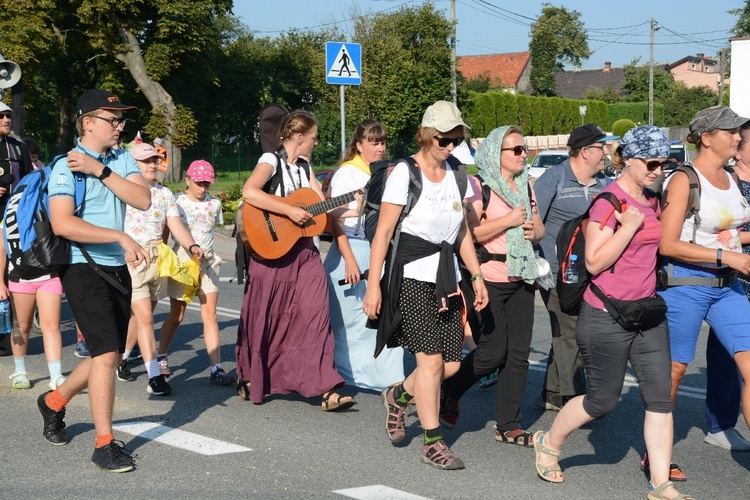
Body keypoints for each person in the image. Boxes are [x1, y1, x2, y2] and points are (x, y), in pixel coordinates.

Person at [532, 125, 693, 500]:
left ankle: (660, 484)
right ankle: (550, 443)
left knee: (659, 399)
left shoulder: (654, 200)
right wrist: (628, 230)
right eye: (651, 162)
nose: (658, 169)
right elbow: (593, 260)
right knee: (602, 401)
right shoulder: (610, 202)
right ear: (629, 160)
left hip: (647, 313)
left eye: (663, 162)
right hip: (606, 314)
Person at [363, 101, 488, 470]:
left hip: (447, 276)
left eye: (456, 139)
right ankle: (433, 443)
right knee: (431, 363)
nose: (450, 146)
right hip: (412, 275)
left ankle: (399, 394)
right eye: (444, 139)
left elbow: (462, 231)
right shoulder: (405, 172)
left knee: (450, 364)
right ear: (426, 135)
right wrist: (374, 286)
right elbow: (383, 232)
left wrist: (476, 275)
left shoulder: (458, 174)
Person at [40, 88, 151, 473]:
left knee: (112, 352)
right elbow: (62, 223)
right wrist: (119, 236)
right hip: (80, 265)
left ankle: (54, 401)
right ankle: (104, 444)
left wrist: (100, 171)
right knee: (105, 354)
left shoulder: (120, 159)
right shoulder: (63, 166)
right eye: (112, 119)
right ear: (88, 123)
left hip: (114, 267)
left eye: (121, 119)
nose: (119, 126)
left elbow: (143, 200)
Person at [236, 110, 354, 410]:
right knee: (267, 314)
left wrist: (356, 208)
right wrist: (288, 211)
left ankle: (325, 386)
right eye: (313, 138)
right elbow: (249, 191)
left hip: (304, 251)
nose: (316, 143)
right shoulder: (270, 161)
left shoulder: (305, 166)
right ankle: (254, 376)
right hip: (272, 249)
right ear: (299, 137)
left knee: (316, 314)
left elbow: (322, 206)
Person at [439, 125, 544, 446]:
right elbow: (467, 235)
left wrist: (533, 232)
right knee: (492, 353)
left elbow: (539, 229)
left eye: (524, 149)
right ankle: (451, 390)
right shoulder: (479, 187)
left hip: (522, 277)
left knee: (519, 355)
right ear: (496, 154)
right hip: (488, 278)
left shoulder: (526, 186)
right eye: (515, 150)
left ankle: (508, 425)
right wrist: (507, 221)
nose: (522, 154)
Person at [658, 106, 750, 460]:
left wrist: (735, 253)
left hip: (728, 287)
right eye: (731, 131)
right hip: (686, 284)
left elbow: (727, 230)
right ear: (707, 138)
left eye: (738, 131)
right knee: (675, 372)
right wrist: (729, 258)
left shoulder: (732, 178)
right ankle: (658, 453)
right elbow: (667, 243)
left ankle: (726, 429)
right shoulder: (684, 179)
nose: (738, 137)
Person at [533, 123, 614, 411]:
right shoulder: (553, 179)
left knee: (572, 331)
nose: (605, 152)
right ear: (583, 152)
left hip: (590, 272)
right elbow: (533, 223)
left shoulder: (604, 183)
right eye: (600, 147)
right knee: (571, 330)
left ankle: (553, 393)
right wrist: (536, 266)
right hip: (556, 272)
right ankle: (573, 397)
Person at [323, 119, 405, 391]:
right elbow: (335, 221)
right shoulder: (347, 173)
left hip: (377, 249)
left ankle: (386, 377)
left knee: (378, 315)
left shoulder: (385, 171)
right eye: (374, 142)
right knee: (351, 321)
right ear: (359, 145)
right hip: (352, 249)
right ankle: (351, 374)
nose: (380, 148)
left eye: (382, 142)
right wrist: (347, 259)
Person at [118, 143, 205, 396]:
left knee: (141, 316)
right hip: (131, 260)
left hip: (157, 260)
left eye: (156, 160)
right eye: (147, 161)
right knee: (145, 316)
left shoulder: (165, 194)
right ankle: (154, 376)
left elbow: (175, 225)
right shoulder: (122, 190)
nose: (153, 165)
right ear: (132, 164)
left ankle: (123, 358)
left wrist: (192, 245)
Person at [157, 160, 234, 386]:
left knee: (210, 315)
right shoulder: (177, 203)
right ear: (187, 181)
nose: (202, 188)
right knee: (177, 316)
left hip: (208, 263)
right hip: (183, 264)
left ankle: (216, 368)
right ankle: (161, 355)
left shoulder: (214, 204)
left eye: (207, 184)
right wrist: (163, 257)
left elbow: (211, 232)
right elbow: (165, 232)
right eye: (198, 183)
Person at [700, 122, 750, 451]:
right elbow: (716, 234)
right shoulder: (729, 183)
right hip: (734, 278)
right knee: (728, 357)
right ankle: (720, 424)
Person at [1, 226, 65, 391]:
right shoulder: (11, 206)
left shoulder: (45, 201)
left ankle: (56, 375)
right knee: (22, 325)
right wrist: (0, 282)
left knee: (51, 325)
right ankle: (20, 371)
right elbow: (2, 248)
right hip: (19, 276)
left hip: (49, 274)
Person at [0, 102, 33, 359]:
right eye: (1, 116)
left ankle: (7, 338)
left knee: (12, 273)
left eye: (8, 115)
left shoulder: (19, 147)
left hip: (12, 220)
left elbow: (27, 181)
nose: (5, 119)